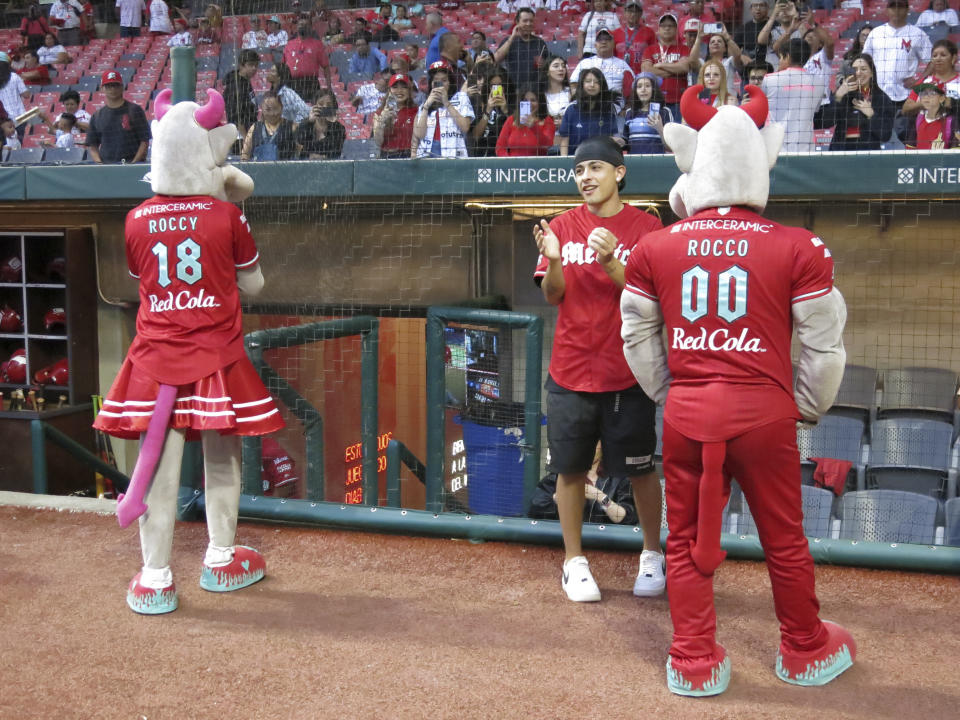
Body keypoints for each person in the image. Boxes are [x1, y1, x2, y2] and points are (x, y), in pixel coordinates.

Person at [620, 82, 854, 698]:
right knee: (784, 537)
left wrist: (672, 394)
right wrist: (805, 406)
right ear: (760, 160)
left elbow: (635, 337)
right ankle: (804, 648)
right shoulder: (799, 245)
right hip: (764, 416)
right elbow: (824, 346)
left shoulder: (653, 245)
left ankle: (694, 661)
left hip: (688, 414)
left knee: (687, 541)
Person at [94, 88, 282, 614]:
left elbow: (142, 283)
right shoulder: (227, 216)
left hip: (156, 356)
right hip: (216, 356)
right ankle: (220, 559)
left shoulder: (135, 220)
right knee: (221, 460)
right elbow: (256, 285)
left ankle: (155, 579)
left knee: (156, 472)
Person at [533, 134, 665, 603]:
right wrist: (552, 261)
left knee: (640, 469)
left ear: (619, 173)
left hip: (628, 373)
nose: (585, 178)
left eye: (595, 169)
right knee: (569, 471)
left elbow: (648, 295)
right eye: (579, 171)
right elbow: (553, 295)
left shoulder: (648, 228)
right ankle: (574, 561)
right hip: (570, 369)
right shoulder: (563, 227)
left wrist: (610, 261)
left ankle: (652, 554)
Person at [529, 444, 639, 525]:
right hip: (564, 544)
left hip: (605, 543)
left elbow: (628, 518)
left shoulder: (619, 479)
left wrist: (599, 496)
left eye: (595, 442)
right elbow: (535, 508)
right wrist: (557, 498)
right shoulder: (560, 476)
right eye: (584, 442)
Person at [862, 0, 932, 106]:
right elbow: (864, 61)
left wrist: (919, 80)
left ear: (907, 9)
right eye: (892, 7)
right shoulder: (876, 33)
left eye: (900, 7)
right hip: (877, 96)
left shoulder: (918, 34)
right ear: (887, 10)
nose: (896, 10)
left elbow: (932, 61)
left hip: (906, 96)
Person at [761, 38, 824, 152]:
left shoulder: (769, 79)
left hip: (775, 148)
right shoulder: (819, 82)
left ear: (788, 56)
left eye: (780, 57)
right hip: (805, 148)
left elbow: (763, 108)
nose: (779, 61)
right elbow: (814, 110)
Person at [827, 53, 897, 151]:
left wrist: (871, 114)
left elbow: (885, 136)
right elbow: (826, 122)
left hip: (868, 155)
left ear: (872, 73)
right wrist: (838, 96)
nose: (858, 73)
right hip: (840, 153)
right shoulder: (843, 94)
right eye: (855, 69)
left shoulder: (882, 99)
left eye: (863, 69)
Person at [412, 60, 474, 157]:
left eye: (444, 80)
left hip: (453, 155)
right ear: (431, 83)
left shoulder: (461, 97)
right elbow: (420, 134)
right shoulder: (425, 104)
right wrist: (426, 106)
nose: (440, 84)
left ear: (450, 82)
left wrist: (446, 103)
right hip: (427, 155)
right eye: (436, 81)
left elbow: (465, 127)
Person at [86, 70, 151, 164]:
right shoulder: (97, 115)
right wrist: (100, 165)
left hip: (131, 166)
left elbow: (144, 141)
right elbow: (92, 145)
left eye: (116, 85)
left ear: (122, 87)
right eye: (108, 86)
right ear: (102, 88)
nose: (112, 89)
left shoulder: (135, 110)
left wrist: (133, 164)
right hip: (107, 168)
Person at [558, 67, 619, 155]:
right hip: (575, 161)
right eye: (588, 81)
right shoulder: (571, 109)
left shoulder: (608, 110)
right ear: (582, 84)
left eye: (597, 82)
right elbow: (564, 140)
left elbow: (611, 139)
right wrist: (565, 162)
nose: (592, 85)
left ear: (601, 86)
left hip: (600, 161)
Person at [642, 14, 692, 120]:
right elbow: (646, 70)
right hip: (655, 101)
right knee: (656, 133)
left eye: (671, 25)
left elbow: (684, 68)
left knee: (676, 134)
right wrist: (674, 70)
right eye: (663, 26)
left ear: (676, 29)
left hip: (678, 101)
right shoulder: (650, 49)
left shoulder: (684, 49)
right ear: (658, 29)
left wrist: (660, 65)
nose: (667, 28)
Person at [571, 28, 634, 101]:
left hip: (614, 106)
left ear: (614, 44)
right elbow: (573, 84)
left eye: (607, 39)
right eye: (600, 39)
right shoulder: (585, 63)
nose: (603, 42)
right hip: (588, 105)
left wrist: (627, 107)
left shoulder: (622, 64)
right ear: (595, 45)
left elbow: (633, 87)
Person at [494, 8, 548, 91]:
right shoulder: (508, 41)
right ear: (517, 22)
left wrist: (543, 64)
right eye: (525, 21)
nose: (528, 24)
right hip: (513, 90)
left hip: (534, 91)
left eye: (531, 21)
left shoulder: (540, 42)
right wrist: (512, 37)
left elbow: (548, 66)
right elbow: (495, 59)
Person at [902, 38, 960, 117]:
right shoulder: (925, 82)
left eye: (943, 55)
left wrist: (948, 102)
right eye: (934, 56)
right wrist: (922, 103)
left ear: (954, 58)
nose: (938, 59)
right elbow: (905, 109)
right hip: (927, 127)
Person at [495, 83, 555, 155]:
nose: (529, 104)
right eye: (525, 100)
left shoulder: (547, 121)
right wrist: (509, 162)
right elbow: (500, 147)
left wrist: (534, 127)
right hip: (513, 165)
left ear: (540, 102)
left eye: (533, 100)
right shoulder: (511, 120)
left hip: (537, 164)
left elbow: (547, 145)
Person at [622, 71, 673, 153]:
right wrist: (619, 142)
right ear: (635, 91)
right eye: (639, 86)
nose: (643, 89)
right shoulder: (629, 113)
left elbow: (671, 147)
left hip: (657, 163)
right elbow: (626, 142)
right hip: (634, 162)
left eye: (648, 86)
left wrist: (660, 128)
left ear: (654, 89)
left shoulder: (665, 112)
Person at [284, 17, 333, 101]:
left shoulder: (317, 44)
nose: (302, 26)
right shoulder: (289, 44)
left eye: (306, 25)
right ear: (296, 26)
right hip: (293, 83)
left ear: (310, 27)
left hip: (311, 83)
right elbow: (283, 67)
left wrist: (329, 88)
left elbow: (326, 67)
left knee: (312, 111)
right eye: (300, 24)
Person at [688, 24, 743, 99]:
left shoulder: (729, 62)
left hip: (728, 102)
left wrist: (727, 37)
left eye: (719, 41)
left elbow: (738, 55)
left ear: (724, 48)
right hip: (708, 102)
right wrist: (698, 38)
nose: (716, 43)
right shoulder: (703, 63)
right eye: (712, 42)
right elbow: (692, 60)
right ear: (709, 49)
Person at [241, 91, 298, 160]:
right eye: (268, 110)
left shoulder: (292, 127)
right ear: (262, 109)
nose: (272, 114)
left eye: (276, 109)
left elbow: (300, 153)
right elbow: (245, 154)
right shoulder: (254, 128)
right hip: (258, 170)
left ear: (282, 107)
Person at [373, 73, 418, 158]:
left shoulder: (417, 111)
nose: (399, 91)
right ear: (389, 90)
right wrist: (382, 120)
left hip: (410, 156)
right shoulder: (379, 112)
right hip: (387, 157)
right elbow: (378, 142)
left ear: (409, 90)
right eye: (395, 87)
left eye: (404, 87)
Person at [470, 69, 510, 156]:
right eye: (493, 86)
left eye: (500, 85)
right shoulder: (479, 104)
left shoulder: (513, 105)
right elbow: (476, 136)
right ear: (488, 87)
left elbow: (518, 132)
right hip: (483, 156)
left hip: (505, 156)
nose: (497, 89)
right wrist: (488, 110)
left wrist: (506, 111)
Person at [296, 88, 345, 159]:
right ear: (314, 106)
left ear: (333, 107)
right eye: (321, 104)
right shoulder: (306, 124)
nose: (325, 107)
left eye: (328, 105)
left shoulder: (338, 128)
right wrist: (309, 122)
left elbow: (335, 151)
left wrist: (333, 125)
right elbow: (300, 140)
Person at [222, 48, 259, 142]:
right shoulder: (236, 86)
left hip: (248, 133)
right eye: (250, 65)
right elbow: (237, 117)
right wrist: (246, 140)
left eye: (256, 65)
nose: (254, 68)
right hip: (240, 138)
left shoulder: (245, 81)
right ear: (241, 66)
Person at [908, 78, 955, 148]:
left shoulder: (951, 121)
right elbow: (909, 151)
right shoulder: (917, 119)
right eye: (923, 93)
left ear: (942, 98)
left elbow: (956, 155)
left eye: (932, 93)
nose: (926, 97)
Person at [615, 2, 657, 75]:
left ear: (641, 13)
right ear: (624, 12)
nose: (633, 14)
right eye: (630, 11)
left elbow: (654, 55)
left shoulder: (649, 32)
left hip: (641, 75)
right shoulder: (616, 32)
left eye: (636, 11)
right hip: (619, 75)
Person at [0, 52, 33, 142]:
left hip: (3, 121)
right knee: (20, 143)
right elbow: (26, 95)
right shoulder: (14, 77)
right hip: (20, 117)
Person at [802, 22, 835, 110]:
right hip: (803, 106)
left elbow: (830, 43)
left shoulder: (823, 56)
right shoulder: (797, 61)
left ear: (820, 44)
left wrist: (813, 24)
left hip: (822, 105)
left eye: (815, 35)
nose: (810, 36)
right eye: (807, 35)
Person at [734, 0, 771, 65]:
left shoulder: (774, 25)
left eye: (761, 5)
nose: (758, 8)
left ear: (767, 8)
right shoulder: (744, 27)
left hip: (768, 63)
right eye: (755, 5)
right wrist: (741, 56)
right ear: (750, 9)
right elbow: (733, 48)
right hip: (748, 65)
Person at [543, 55, 573, 129]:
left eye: (563, 66)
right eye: (556, 66)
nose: (561, 69)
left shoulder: (572, 92)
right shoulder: (540, 93)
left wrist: (565, 122)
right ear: (547, 71)